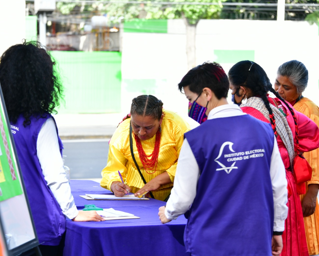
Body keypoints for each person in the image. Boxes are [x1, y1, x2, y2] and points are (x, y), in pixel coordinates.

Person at [158, 62, 288, 256]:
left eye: (191, 98)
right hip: (255, 238)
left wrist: (168, 212)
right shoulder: (264, 131)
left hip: (211, 241)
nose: (191, 105)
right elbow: (277, 186)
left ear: (207, 93)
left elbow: (184, 196)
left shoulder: (196, 139)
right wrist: (277, 228)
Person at [0, 41, 104, 256]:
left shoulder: (2, 117)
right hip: (40, 225)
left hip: (8, 220)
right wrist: (73, 213)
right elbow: (54, 176)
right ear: (41, 80)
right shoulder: (40, 123)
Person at [228, 60, 319, 256]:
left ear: (242, 90)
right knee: (287, 245)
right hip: (288, 186)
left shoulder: (246, 114)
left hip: (264, 189)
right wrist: (288, 153)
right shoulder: (281, 106)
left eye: (232, 89)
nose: (232, 94)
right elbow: (312, 133)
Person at [100, 95, 190, 201]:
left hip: (173, 197)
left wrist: (160, 180)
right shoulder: (123, 132)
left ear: (160, 119)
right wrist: (114, 184)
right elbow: (113, 169)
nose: (141, 132)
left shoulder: (176, 126)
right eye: (136, 126)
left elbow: (189, 161)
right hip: (134, 197)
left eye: (148, 127)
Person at [276, 60, 319, 256]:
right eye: (277, 84)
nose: (279, 90)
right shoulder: (277, 106)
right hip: (284, 187)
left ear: (299, 89)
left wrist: (312, 193)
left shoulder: (308, 110)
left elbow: (314, 155)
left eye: (286, 87)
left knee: (303, 246)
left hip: (303, 189)